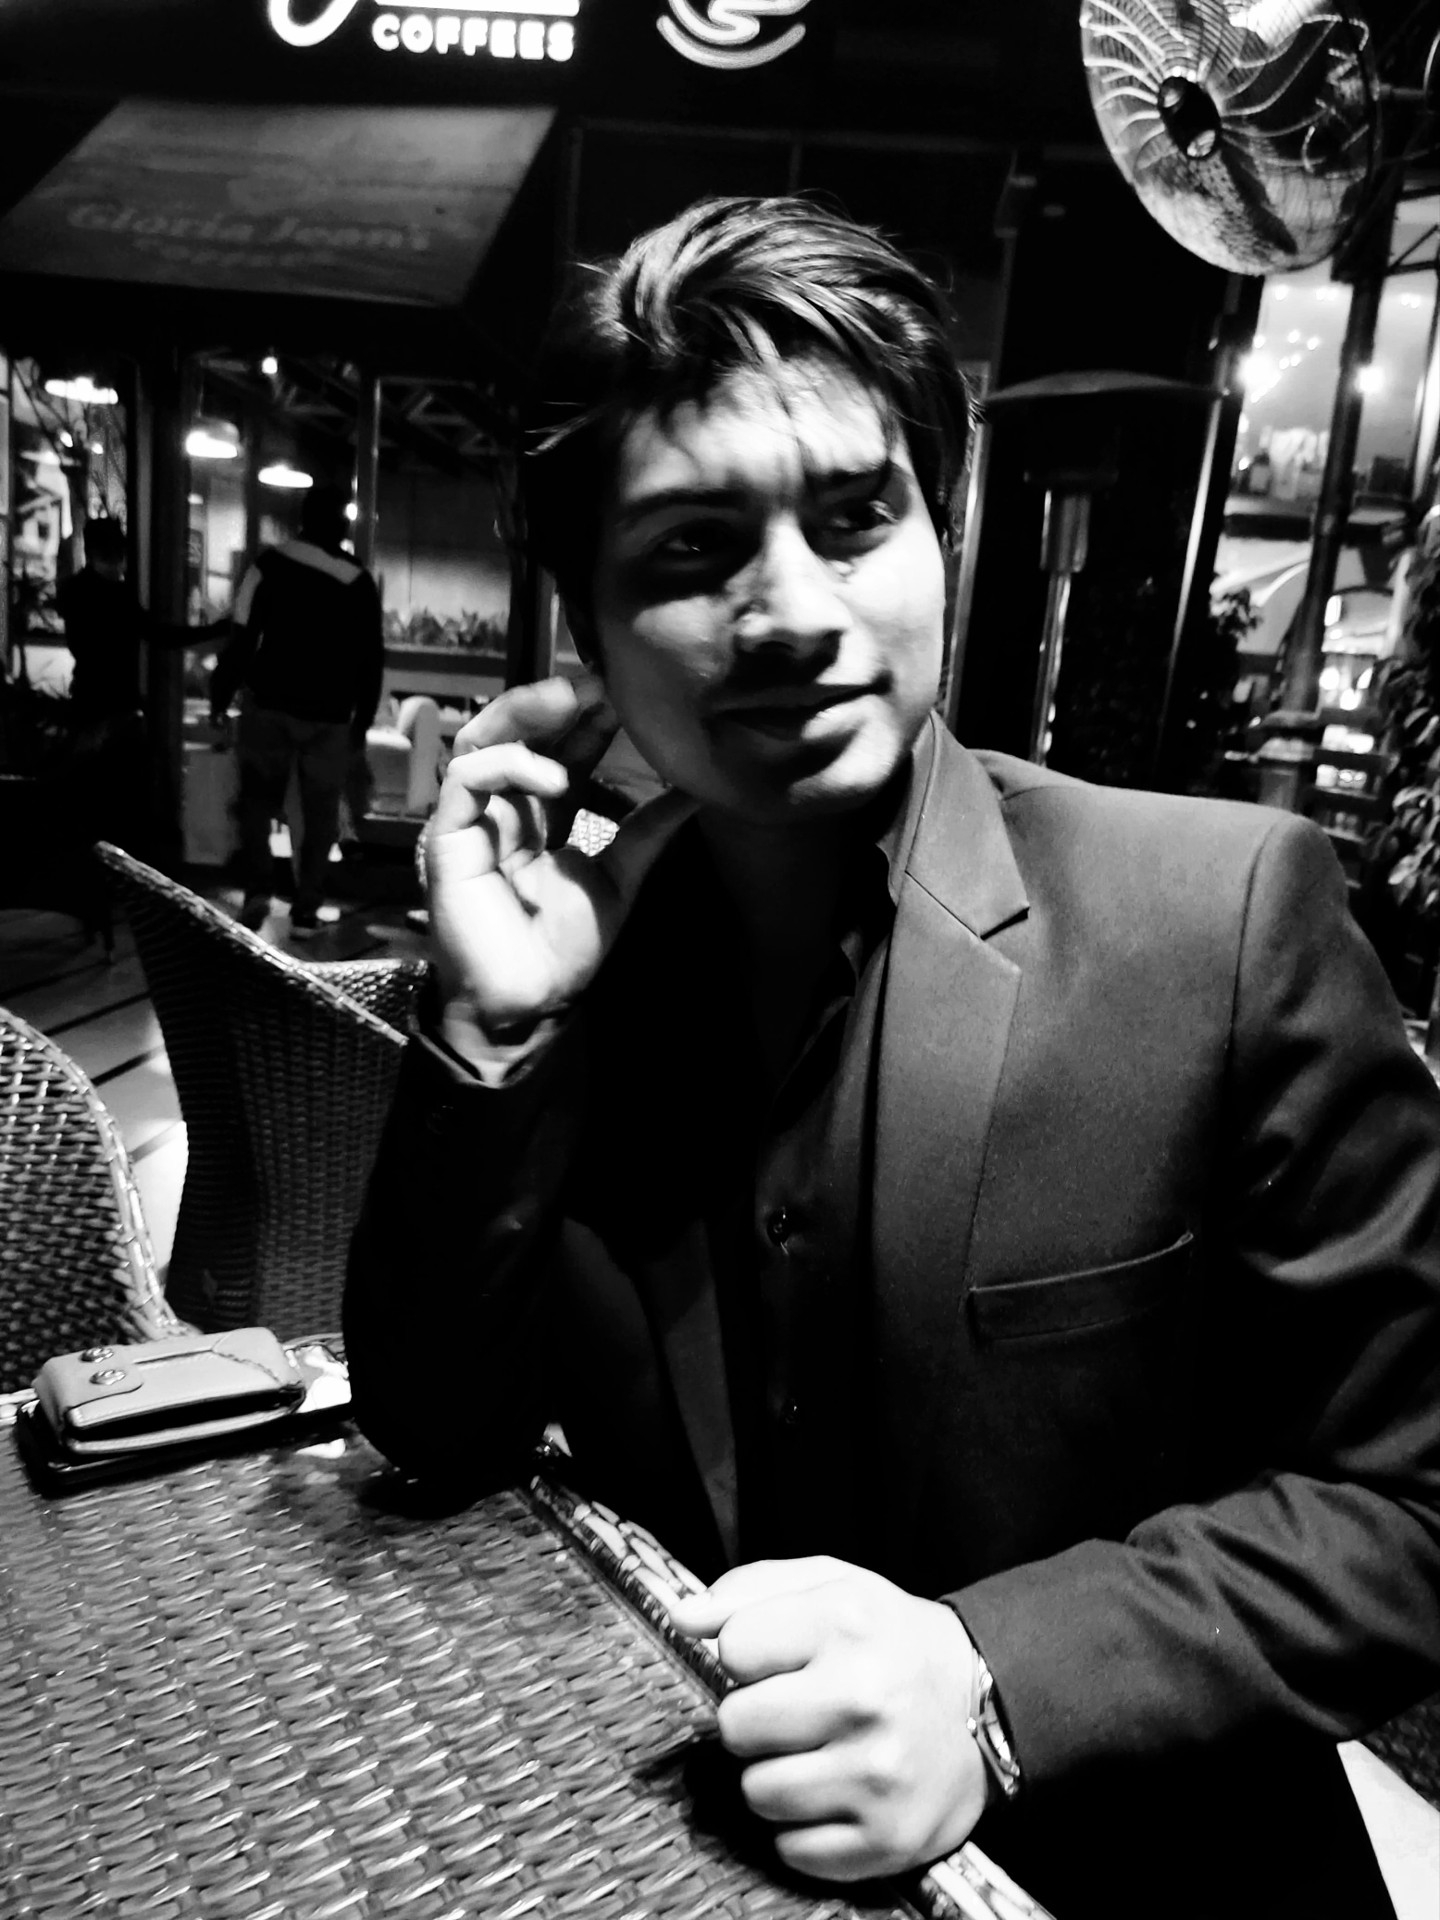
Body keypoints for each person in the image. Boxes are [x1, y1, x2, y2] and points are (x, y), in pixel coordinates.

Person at [343, 197, 1440, 1919]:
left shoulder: (1216, 918)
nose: (793, 610)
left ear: (943, 533)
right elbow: (432, 1428)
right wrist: (494, 1024)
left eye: (856, 518)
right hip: (683, 1854)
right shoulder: (581, 956)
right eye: (694, 550)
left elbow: (1409, 1503)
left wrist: (994, 1685)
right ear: (587, 632)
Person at [209, 483, 383, 932]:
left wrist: (219, 696)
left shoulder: (268, 566)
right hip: (330, 716)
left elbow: (242, 638)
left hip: (269, 706)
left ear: (303, 518)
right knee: (321, 814)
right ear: (342, 526)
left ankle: (257, 892)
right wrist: (362, 721)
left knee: (257, 803)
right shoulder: (358, 581)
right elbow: (371, 658)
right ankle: (307, 906)